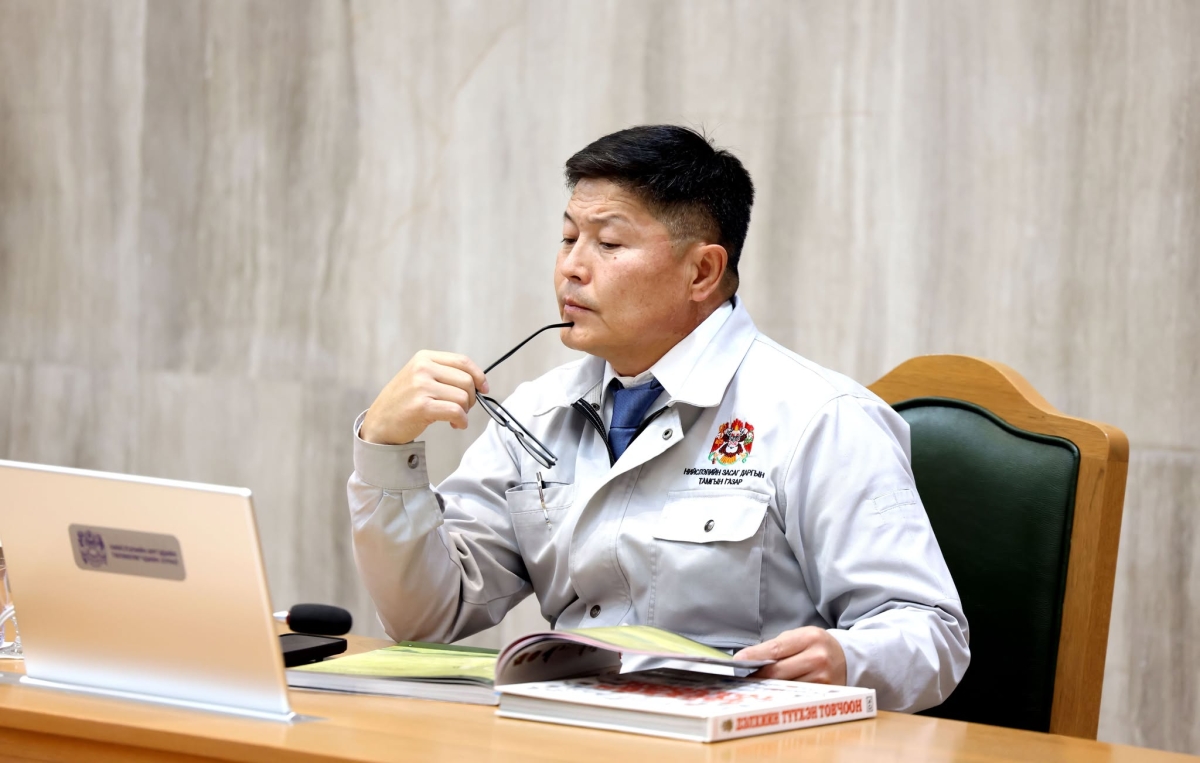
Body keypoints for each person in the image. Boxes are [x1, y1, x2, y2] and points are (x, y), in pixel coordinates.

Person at [348, 125, 969, 713]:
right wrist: (385, 447)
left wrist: (848, 659)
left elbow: (931, 632)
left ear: (702, 272)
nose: (572, 267)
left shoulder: (819, 417)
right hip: (572, 730)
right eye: (568, 238)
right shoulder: (536, 413)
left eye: (609, 244)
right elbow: (428, 617)